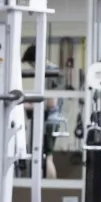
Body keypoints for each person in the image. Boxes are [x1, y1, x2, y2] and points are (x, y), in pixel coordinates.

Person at [22, 44, 60, 179]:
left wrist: (27, 105)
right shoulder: (51, 71)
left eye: (31, 64)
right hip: (50, 119)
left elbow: (51, 102)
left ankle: (51, 190)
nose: (32, 68)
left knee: (47, 157)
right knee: (45, 156)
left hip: (49, 120)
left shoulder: (50, 72)